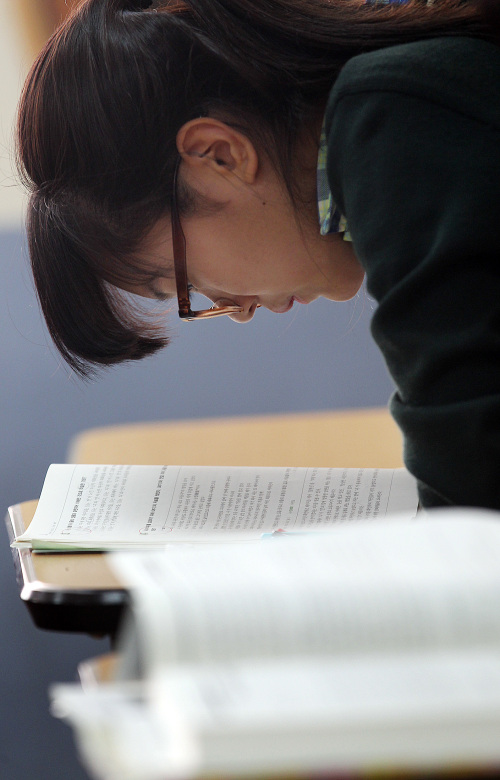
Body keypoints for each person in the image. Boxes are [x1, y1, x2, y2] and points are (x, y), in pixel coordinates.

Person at [16, 0, 500, 509]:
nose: (239, 310)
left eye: (184, 284)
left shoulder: (393, 119)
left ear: (219, 155)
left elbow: (472, 487)